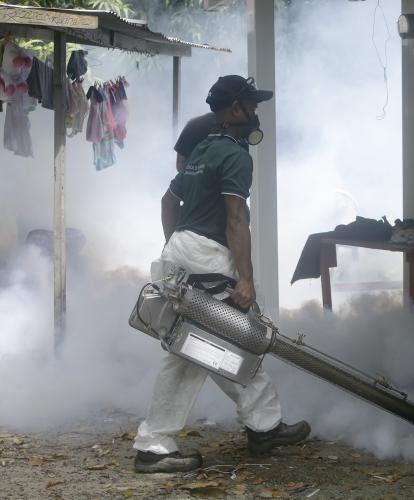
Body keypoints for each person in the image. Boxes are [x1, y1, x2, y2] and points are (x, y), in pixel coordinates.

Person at [133, 75, 310, 474]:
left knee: (233, 341)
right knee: (192, 352)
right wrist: (244, 279)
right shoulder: (235, 155)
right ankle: (153, 445)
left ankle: (264, 426)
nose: (256, 112)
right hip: (207, 260)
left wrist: (176, 244)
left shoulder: (202, 150)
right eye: (253, 105)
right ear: (235, 108)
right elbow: (236, 218)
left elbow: (168, 201)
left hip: (182, 253)